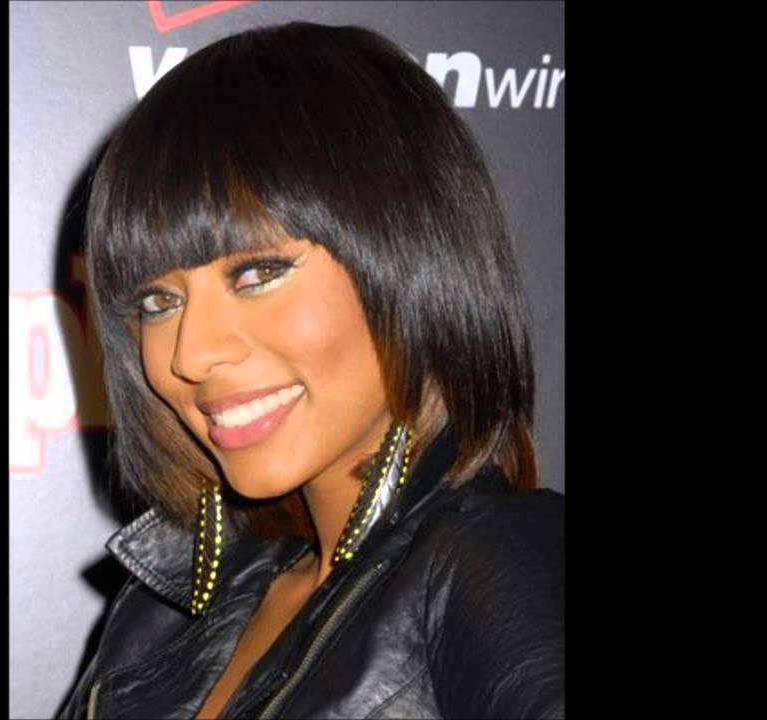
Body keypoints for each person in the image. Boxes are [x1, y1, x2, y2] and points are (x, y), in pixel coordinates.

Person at [60, 21, 563, 720]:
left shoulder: (499, 563)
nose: (189, 354)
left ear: (410, 263)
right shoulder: (163, 605)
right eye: (158, 301)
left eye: (258, 273)